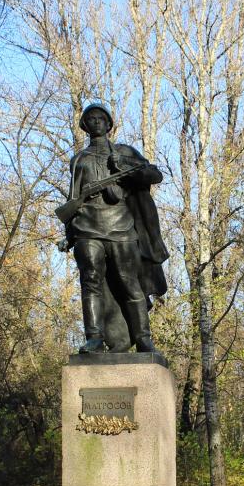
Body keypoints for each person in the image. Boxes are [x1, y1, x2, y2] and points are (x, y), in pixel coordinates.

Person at [60, 102, 167, 353]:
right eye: (91, 118)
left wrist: (125, 167)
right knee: (91, 282)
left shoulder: (125, 152)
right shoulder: (79, 160)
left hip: (121, 227)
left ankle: (143, 337)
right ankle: (94, 338)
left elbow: (154, 175)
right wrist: (68, 234)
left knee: (130, 282)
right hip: (87, 228)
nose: (96, 121)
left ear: (109, 124)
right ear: (85, 126)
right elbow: (72, 199)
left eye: (101, 118)